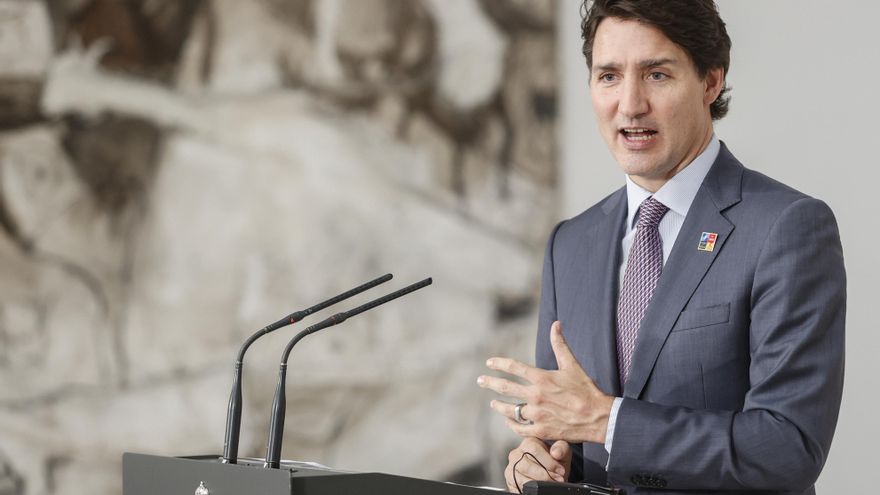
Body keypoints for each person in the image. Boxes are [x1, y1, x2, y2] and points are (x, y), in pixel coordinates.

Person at [476, 1, 846, 493]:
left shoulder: (786, 227)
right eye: (609, 76)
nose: (630, 105)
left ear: (710, 81)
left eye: (656, 74)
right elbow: (567, 427)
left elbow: (788, 448)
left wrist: (606, 421)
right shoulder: (570, 244)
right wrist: (537, 461)